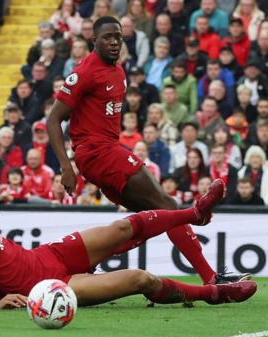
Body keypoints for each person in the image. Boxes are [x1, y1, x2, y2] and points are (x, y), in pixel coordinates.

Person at [47, 16, 248, 286]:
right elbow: (52, 120)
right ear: (94, 40)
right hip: (97, 153)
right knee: (167, 206)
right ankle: (210, 273)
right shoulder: (83, 73)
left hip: (107, 152)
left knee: (153, 220)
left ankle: (83, 265)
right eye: (107, 37)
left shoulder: (118, 72)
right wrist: (66, 166)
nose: (114, 42)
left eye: (118, 37)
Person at [0, 168, 256, 310]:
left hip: (49, 256)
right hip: (52, 286)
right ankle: (214, 293)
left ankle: (193, 214)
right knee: (139, 278)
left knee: (121, 229)